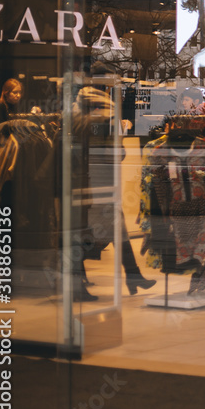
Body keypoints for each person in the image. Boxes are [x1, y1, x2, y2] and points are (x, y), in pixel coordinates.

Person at [72, 62, 156, 297]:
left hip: (94, 178)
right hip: (96, 179)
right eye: (111, 80)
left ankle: (133, 276)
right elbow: (111, 148)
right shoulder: (101, 106)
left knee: (110, 229)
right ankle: (78, 282)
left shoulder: (83, 104)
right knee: (90, 231)